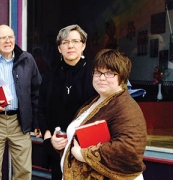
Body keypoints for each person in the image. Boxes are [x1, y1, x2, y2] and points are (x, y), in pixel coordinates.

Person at [57, 49, 146, 179]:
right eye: (98, 72)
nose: (102, 78)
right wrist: (63, 141)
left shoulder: (127, 108)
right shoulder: (96, 101)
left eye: (110, 73)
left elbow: (129, 149)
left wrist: (83, 154)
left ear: (122, 77)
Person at [0, 24, 42, 180]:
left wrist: (36, 122)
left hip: (19, 121)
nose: (7, 41)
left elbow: (36, 91)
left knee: (23, 170)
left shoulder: (27, 59)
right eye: (3, 38)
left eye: (10, 37)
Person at [37, 24, 97, 180]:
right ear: (59, 48)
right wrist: (48, 138)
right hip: (59, 147)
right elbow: (41, 109)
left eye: (75, 41)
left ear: (83, 45)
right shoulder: (50, 76)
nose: (70, 45)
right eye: (65, 42)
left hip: (88, 147)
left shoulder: (95, 73)